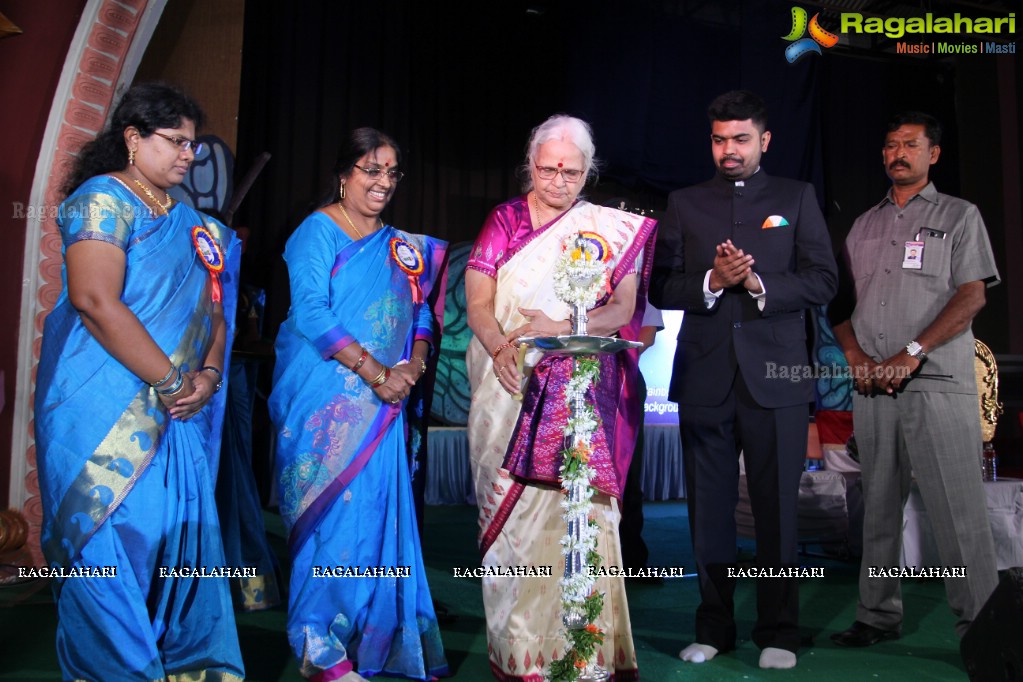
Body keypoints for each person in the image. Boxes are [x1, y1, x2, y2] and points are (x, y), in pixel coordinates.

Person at [34, 82, 245, 680]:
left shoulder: (192, 224)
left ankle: (179, 662)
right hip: (97, 402)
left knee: (163, 542)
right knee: (107, 545)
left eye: (193, 146)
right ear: (132, 137)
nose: (188, 155)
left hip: (175, 407)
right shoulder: (102, 199)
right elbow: (95, 300)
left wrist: (205, 373)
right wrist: (177, 380)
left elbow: (213, 311)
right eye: (175, 141)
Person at [649, 90, 837, 670]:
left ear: (765, 140)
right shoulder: (682, 203)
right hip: (705, 377)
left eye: (740, 139)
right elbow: (660, 287)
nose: (728, 150)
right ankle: (715, 627)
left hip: (777, 379)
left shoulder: (795, 198)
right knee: (707, 510)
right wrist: (711, 279)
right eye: (719, 139)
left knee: (777, 509)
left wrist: (758, 286)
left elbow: (824, 281)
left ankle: (779, 631)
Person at [465, 114, 656, 681]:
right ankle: (522, 656)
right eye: (548, 169)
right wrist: (500, 345)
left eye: (571, 171)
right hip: (509, 388)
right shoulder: (504, 220)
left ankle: (585, 653)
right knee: (515, 528)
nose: (558, 181)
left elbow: (622, 310)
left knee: (581, 520)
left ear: (587, 171)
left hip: (577, 391)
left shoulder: (607, 228)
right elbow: (479, 303)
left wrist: (565, 322)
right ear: (531, 164)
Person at [268, 127, 449, 681]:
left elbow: (421, 314)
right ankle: (317, 640)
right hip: (325, 397)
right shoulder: (316, 231)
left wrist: (411, 368)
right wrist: (374, 372)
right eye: (372, 170)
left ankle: (373, 632)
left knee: (373, 515)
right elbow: (313, 315)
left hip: (386, 401)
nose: (383, 183)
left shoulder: (401, 245)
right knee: (328, 515)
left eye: (392, 173)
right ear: (344, 173)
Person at [829, 111, 999, 647]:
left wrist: (913, 352)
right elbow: (841, 305)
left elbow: (972, 294)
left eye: (910, 144)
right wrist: (855, 355)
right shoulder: (863, 225)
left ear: (934, 154)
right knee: (877, 509)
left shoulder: (959, 216)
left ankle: (985, 633)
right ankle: (877, 616)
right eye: (889, 144)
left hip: (937, 383)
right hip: (874, 388)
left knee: (958, 513)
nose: (897, 152)